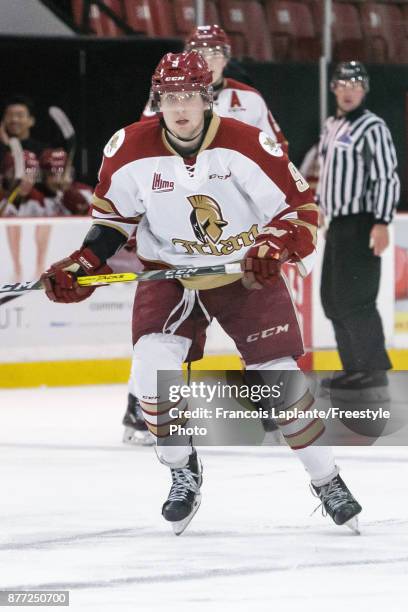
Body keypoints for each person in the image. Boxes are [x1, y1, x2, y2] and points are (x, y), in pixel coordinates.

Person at [41, 51, 361, 535]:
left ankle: (327, 479)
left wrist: (272, 246)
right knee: (151, 369)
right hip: (167, 273)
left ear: (207, 98)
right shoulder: (128, 147)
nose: (180, 108)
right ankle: (181, 471)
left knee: (280, 380)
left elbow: (300, 209)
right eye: (170, 98)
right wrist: (84, 262)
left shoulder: (247, 143)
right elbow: (112, 222)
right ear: (158, 100)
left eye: (190, 96)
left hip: (243, 273)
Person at [125, 24, 288, 447]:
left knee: (258, 328)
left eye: (217, 51)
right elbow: (147, 157)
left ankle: (269, 403)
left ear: (226, 56)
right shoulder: (163, 98)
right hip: (180, 226)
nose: (211, 57)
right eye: (202, 50)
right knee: (155, 334)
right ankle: (138, 409)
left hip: (237, 227)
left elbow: (277, 151)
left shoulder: (248, 99)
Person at [317, 61, 400, 399]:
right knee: (332, 300)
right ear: (333, 88)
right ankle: (354, 368)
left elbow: (386, 176)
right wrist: (322, 208)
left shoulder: (373, 127)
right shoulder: (331, 125)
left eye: (355, 84)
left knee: (356, 299)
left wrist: (381, 221)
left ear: (364, 90)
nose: (348, 90)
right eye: (342, 84)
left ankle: (372, 371)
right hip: (337, 224)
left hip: (362, 221)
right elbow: (327, 173)